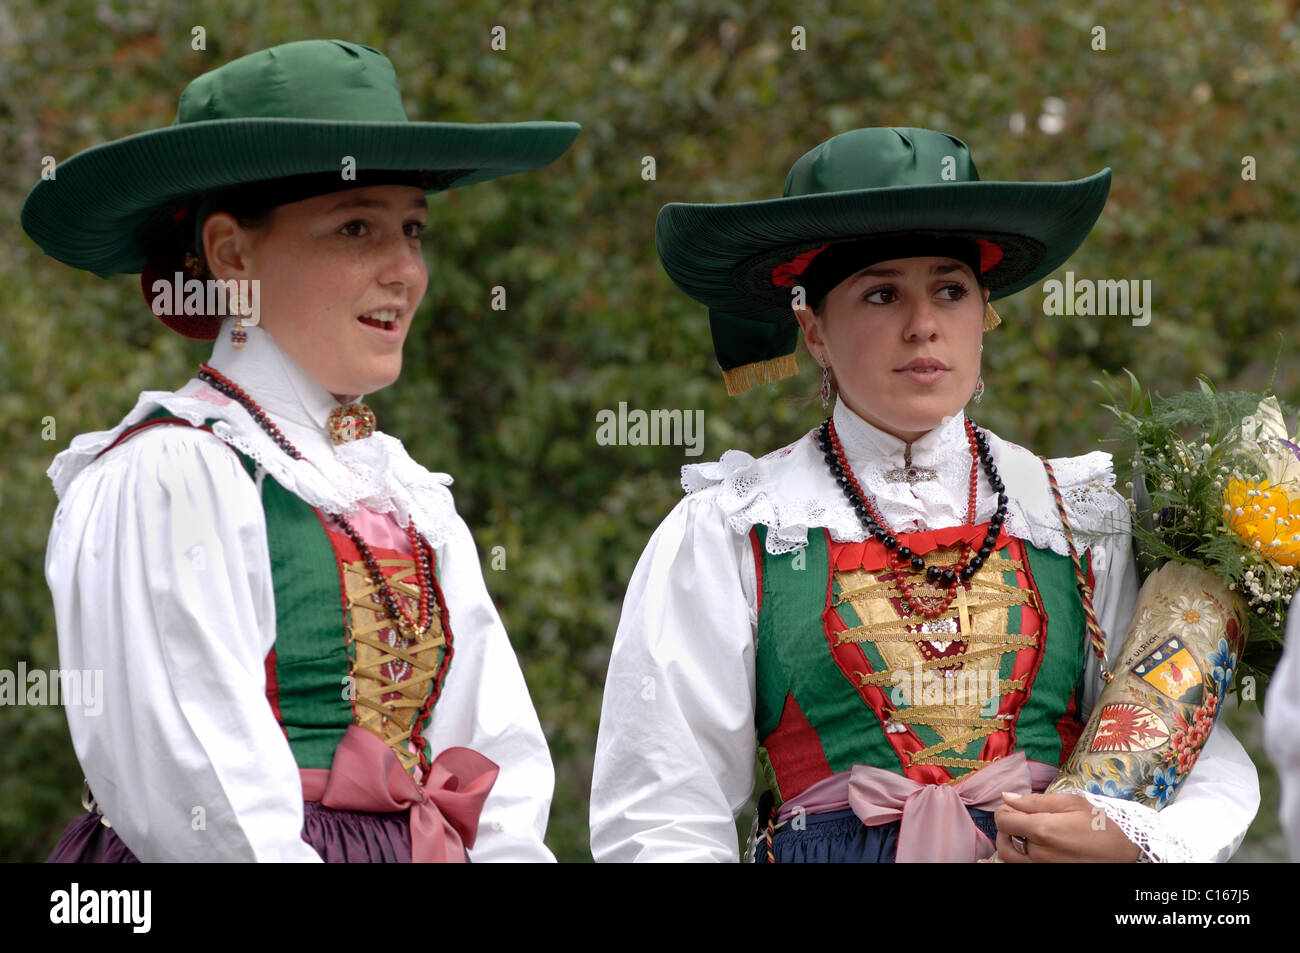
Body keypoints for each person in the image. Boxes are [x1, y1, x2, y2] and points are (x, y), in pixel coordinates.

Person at [589, 126, 1260, 862]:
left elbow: (1198, 751)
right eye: (881, 294)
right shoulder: (735, 527)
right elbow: (661, 815)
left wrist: (1133, 840)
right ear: (812, 328)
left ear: (983, 312)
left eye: (950, 289)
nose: (923, 325)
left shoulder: (1080, 516)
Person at [23, 39, 579, 862]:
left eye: (413, 231)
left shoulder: (408, 495)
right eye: (357, 229)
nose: (406, 271)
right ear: (233, 254)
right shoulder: (171, 474)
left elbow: (501, 770)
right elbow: (206, 807)